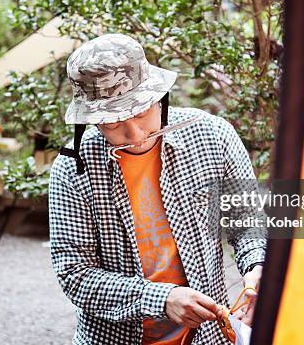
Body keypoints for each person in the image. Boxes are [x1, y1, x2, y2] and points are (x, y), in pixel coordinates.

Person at [48, 33, 266, 345]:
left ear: (158, 96)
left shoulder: (213, 137)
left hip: (207, 337)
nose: (134, 133)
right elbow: (75, 275)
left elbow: (247, 223)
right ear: (92, 121)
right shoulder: (73, 169)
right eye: (112, 122)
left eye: (140, 111)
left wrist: (257, 267)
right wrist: (162, 298)